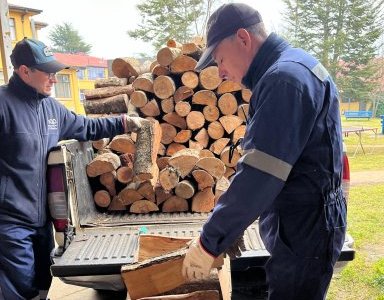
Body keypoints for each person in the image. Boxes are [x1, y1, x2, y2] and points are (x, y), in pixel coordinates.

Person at [181, 3, 347, 299]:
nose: (220, 73)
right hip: (306, 222)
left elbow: (261, 174)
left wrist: (209, 242)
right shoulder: (295, 66)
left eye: (219, 60)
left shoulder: (284, 80)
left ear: (243, 38)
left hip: (305, 226)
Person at [0, 38, 144, 300]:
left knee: (43, 280)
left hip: (40, 220)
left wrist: (124, 123)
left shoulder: (52, 109)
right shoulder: (2, 105)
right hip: (9, 221)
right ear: (24, 71)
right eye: (48, 73)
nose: (54, 79)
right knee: (19, 287)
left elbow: (87, 127)